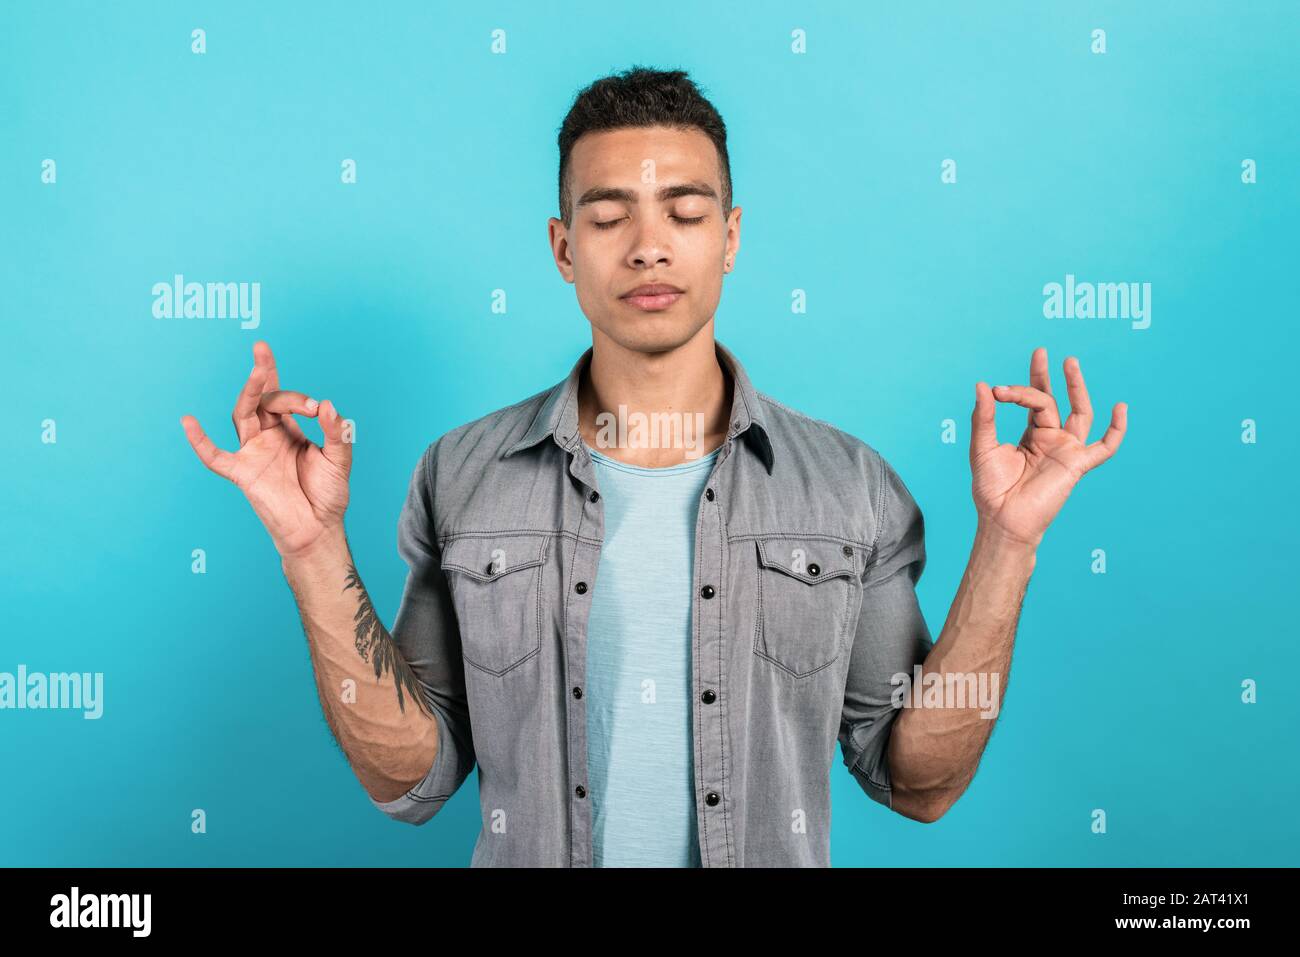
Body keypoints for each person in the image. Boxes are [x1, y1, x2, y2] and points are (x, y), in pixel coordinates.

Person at [180, 66, 1127, 867]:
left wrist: (1008, 540)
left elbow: (918, 780)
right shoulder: (463, 474)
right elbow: (410, 776)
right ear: (562, 248)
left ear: (730, 237)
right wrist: (309, 544)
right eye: (607, 216)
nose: (648, 245)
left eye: (684, 209)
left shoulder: (851, 488)